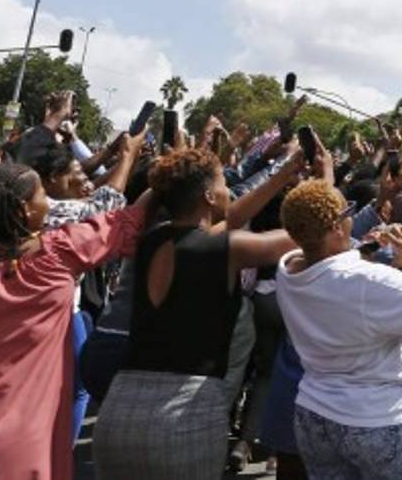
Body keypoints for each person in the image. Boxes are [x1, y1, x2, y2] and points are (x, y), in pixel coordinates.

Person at [92, 147, 299, 479]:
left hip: (119, 410)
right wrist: (324, 185)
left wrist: (285, 174)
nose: (228, 191)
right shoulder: (228, 249)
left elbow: (225, 221)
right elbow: (303, 236)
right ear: (207, 195)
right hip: (183, 416)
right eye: (222, 184)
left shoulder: (151, 239)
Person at [273, 180, 402, 480]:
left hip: (317, 417)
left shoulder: (289, 271)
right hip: (384, 421)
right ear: (338, 227)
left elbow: (331, 268)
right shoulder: (369, 282)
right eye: (347, 212)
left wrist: (367, 248)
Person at [0, 163, 148, 479]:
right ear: (24, 211)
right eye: (42, 195)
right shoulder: (55, 257)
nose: (49, 203)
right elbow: (128, 220)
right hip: (19, 451)